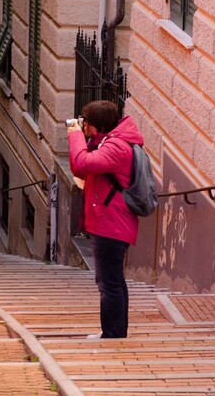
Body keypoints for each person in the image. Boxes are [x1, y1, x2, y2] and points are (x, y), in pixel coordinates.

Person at [67, 100, 143, 338]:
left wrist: (75, 135)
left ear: (96, 125)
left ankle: (112, 336)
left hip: (111, 224)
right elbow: (81, 170)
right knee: (114, 280)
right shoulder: (110, 143)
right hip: (110, 221)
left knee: (109, 283)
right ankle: (115, 333)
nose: (84, 125)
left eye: (86, 122)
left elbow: (81, 162)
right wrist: (86, 139)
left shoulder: (116, 147)